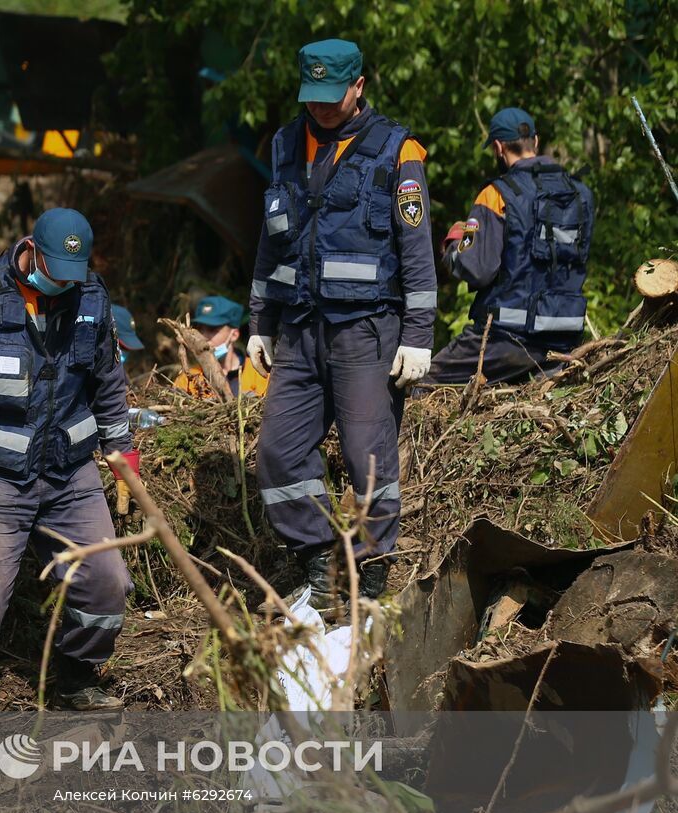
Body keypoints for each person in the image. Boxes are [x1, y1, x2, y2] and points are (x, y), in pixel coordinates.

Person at [0, 208, 137, 769]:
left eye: (73, 270)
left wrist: (124, 458)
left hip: (68, 474)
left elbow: (109, 383)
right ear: (30, 250)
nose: (63, 281)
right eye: (54, 268)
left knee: (109, 582)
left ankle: (76, 674)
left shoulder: (92, 298)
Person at [248, 39, 437, 606]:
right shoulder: (285, 144)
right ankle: (319, 564)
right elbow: (269, 240)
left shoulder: (398, 152)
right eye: (313, 98)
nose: (322, 109)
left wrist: (419, 335)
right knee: (278, 455)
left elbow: (417, 250)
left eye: (334, 97)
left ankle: (371, 578)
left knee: (367, 457)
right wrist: (259, 320)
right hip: (301, 329)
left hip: (367, 330)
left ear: (360, 86)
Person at [419, 108, 595, 387]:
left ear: (499, 148)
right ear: (535, 141)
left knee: (420, 381)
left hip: (506, 341)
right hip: (565, 338)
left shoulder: (497, 194)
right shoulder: (580, 194)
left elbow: (477, 269)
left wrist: (454, 246)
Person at [173, 295, 270, 398]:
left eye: (212, 329)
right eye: (200, 329)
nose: (203, 337)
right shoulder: (188, 379)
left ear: (234, 335)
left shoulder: (259, 373)